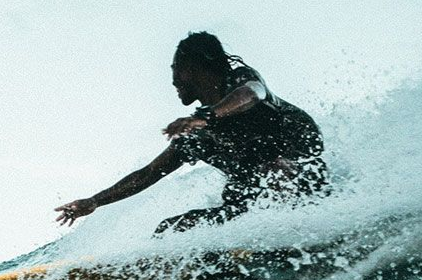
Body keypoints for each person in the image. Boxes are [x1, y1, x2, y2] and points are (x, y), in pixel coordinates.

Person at [55, 31, 329, 234]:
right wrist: (93, 201)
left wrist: (207, 116)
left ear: (192, 68)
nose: (173, 79)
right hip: (256, 192)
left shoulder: (240, 81)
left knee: (275, 168)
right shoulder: (198, 136)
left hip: (300, 165)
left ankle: (305, 230)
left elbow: (252, 94)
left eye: (175, 68)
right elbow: (149, 173)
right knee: (171, 228)